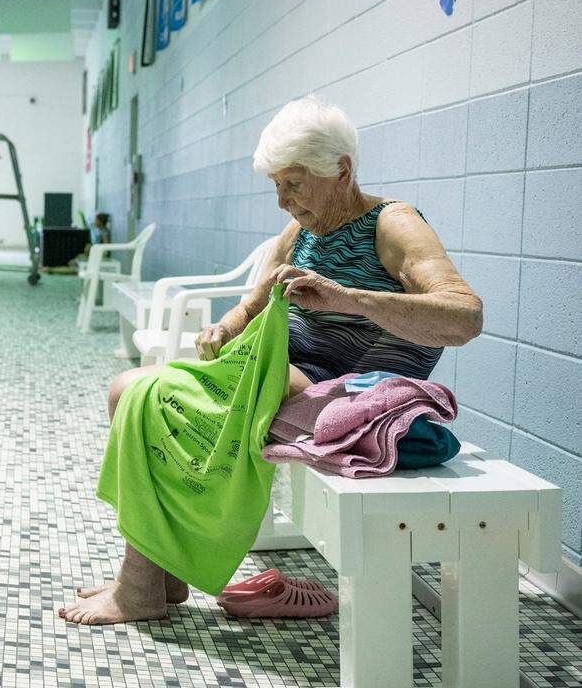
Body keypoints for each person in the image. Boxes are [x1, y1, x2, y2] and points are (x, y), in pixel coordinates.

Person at [60, 95, 483, 625]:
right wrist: (225, 327)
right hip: (288, 373)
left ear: (342, 170)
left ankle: (139, 586)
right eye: (276, 185)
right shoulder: (303, 231)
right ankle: (163, 570)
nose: (283, 200)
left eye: (294, 183)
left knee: (155, 397)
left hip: (352, 389)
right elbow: (251, 303)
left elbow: (464, 317)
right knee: (126, 388)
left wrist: (347, 297)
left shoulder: (393, 223)